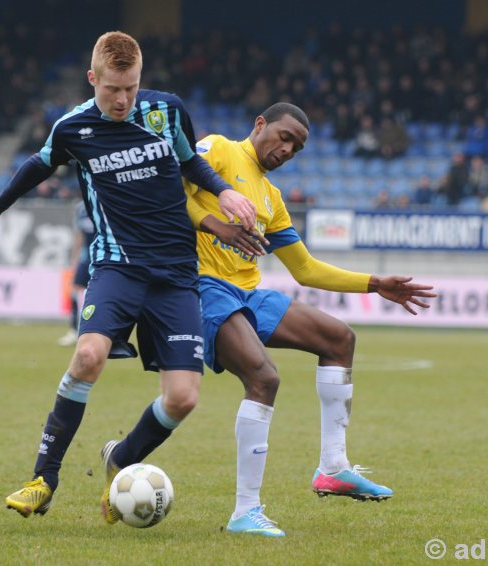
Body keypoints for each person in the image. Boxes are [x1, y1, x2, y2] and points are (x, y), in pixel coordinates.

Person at [0, 31, 256, 521]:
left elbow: (189, 162)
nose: (122, 100)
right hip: (117, 265)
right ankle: (43, 478)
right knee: (87, 354)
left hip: (176, 274)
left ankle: (121, 458)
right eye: (111, 89)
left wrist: (224, 192)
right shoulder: (73, 128)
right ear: (92, 79)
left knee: (183, 398)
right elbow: (40, 164)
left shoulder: (166, 111)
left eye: (131, 88)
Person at [184, 102, 436, 537]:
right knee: (264, 377)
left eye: (297, 148)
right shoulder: (219, 150)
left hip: (246, 290)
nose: (287, 150)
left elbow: (305, 269)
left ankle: (333, 468)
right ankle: (245, 511)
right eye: (284, 137)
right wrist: (214, 225)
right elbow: (170, 189)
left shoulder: (272, 198)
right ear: (260, 125)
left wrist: (375, 284)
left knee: (339, 339)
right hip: (202, 285)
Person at [56, 200, 97, 347]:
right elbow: (79, 235)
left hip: (105, 257)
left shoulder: (105, 198)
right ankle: (74, 330)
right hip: (86, 258)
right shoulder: (81, 207)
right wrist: (75, 259)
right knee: (74, 291)